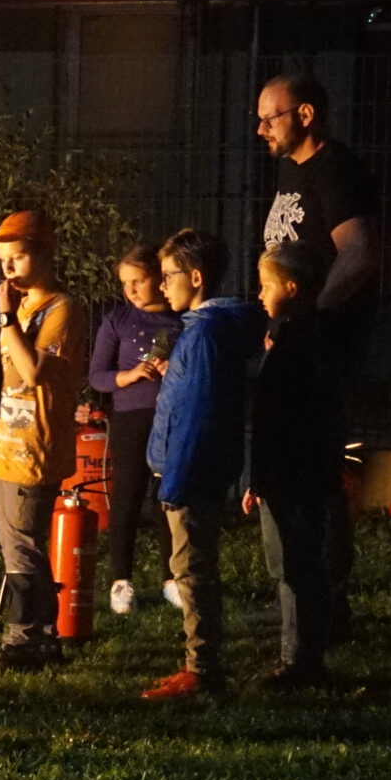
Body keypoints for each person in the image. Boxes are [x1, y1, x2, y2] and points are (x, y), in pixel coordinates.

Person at [256, 73, 381, 639]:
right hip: (293, 339)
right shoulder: (291, 170)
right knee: (295, 472)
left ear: (305, 114)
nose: (261, 128)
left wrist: (317, 319)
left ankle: (327, 602)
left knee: (317, 476)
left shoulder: (336, 170)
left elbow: (359, 252)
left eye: (271, 117)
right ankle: (305, 598)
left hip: (323, 346)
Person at [141, 228, 262, 702]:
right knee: (190, 569)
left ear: (195, 277)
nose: (161, 285)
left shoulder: (206, 334)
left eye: (168, 275)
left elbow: (198, 411)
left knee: (192, 572)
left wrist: (177, 480)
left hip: (191, 476)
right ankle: (199, 665)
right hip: (192, 472)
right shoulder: (202, 332)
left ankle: (202, 671)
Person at [0, 211, 89, 672]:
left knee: (23, 545)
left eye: (18, 257)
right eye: (3, 259)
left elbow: (34, 372)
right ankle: (38, 637)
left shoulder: (62, 309)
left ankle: (26, 641)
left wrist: (5, 318)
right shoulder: (22, 308)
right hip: (3, 445)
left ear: (45, 254)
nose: (7, 268)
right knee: (17, 546)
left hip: (34, 448)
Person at [245, 241, 344, 688]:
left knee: (295, 566)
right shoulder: (302, 336)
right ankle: (302, 655)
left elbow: (282, 418)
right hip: (293, 473)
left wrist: (265, 476)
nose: (260, 294)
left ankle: (301, 660)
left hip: (293, 475)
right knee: (295, 565)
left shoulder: (302, 341)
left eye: (267, 285)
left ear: (291, 286)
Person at [86, 242, 182, 614]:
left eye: (138, 281)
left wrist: (173, 369)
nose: (132, 290)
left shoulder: (180, 320)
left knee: (167, 499)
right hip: (130, 419)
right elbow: (97, 376)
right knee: (126, 496)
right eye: (125, 284)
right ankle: (121, 580)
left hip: (171, 418)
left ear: (159, 279)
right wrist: (128, 376)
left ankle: (171, 578)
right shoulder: (118, 321)